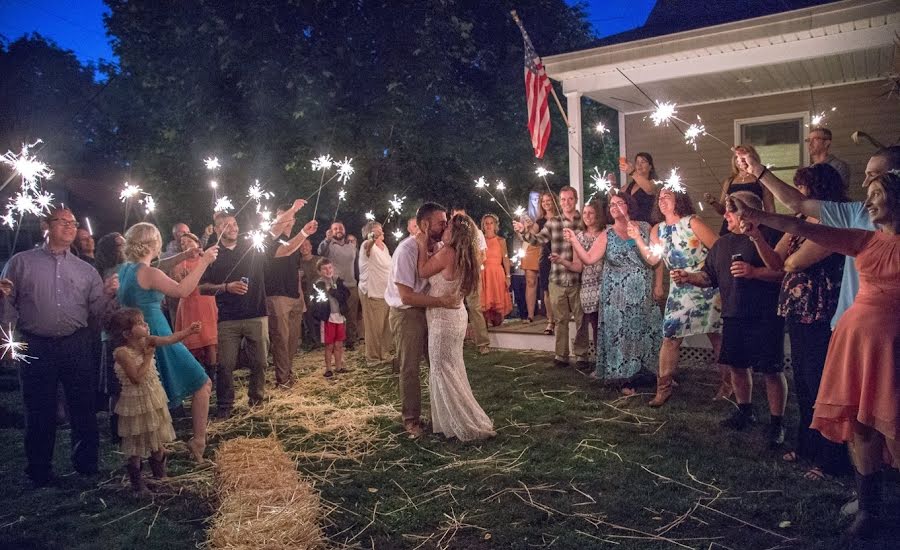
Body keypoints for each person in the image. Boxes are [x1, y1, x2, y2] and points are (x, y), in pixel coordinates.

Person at [726, 172, 898, 539]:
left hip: (892, 344)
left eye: (878, 194)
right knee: (863, 425)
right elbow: (807, 228)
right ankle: (868, 510)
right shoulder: (865, 239)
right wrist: (761, 219)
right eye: (867, 194)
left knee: (893, 424)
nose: (868, 203)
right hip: (857, 340)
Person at [0, 207, 118, 487]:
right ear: (46, 225)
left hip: (75, 342)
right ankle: (39, 468)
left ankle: (86, 463)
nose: (69, 226)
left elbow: (97, 311)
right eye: (62, 221)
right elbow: (8, 304)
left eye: (73, 222)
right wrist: (5, 337)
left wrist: (109, 295)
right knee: (39, 408)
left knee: (83, 406)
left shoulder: (85, 270)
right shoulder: (21, 263)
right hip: (35, 343)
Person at [747, 164, 850, 480]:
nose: (797, 195)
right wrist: (755, 237)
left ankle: (832, 458)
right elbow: (777, 262)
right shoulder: (801, 223)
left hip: (821, 312)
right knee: (804, 383)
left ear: (817, 190)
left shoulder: (832, 223)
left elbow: (795, 261)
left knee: (821, 384)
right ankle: (807, 446)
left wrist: (789, 257)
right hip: (797, 310)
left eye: (802, 188)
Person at [671, 191, 787, 446]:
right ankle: (745, 411)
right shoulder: (722, 244)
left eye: (731, 211)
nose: (726, 215)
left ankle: (777, 422)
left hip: (765, 314)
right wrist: (688, 277)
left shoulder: (769, 236)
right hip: (734, 313)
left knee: (770, 369)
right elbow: (708, 276)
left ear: (749, 213)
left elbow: (782, 272)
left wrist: (754, 272)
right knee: (737, 365)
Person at [740, 145, 899, 330]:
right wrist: (756, 175)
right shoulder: (857, 214)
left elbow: (795, 260)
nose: (864, 184)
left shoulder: (861, 233)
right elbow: (798, 210)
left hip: (885, 325)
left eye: (874, 175)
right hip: (849, 320)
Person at [117, 223, 218, 461]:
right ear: (154, 244)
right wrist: (204, 262)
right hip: (157, 332)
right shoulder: (150, 274)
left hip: (137, 337)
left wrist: (185, 254)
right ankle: (198, 441)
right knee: (202, 383)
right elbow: (182, 290)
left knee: (152, 394)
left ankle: (154, 453)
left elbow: (157, 267)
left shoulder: (127, 270)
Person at [199, 201, 309, 418]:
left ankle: (256, 400)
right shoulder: (211, 254)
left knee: (259, 362)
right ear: (217, 229)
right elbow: (202, 287)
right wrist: (226, 287)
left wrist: (297, 216)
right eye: (227, 225)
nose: (233, 228)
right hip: (227, 319)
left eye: (235, 224)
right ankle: (224, 406)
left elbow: (277, 233)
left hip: (257, 315)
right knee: (226, 365)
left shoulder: (252, 245)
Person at [630, 188, 724, 406]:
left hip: (705, 286)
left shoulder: (692, 222)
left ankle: (728, 384)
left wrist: (706, 275)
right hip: (679, 290)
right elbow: (653, 260)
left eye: (667, 197)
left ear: (679, 200)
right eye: (660, 198)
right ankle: (663, 388)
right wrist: (637, 239)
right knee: (670, 336)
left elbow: (719, 248)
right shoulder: (658, 230)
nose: (662, 201)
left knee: (716, 336)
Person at [566, 191, 661, 391]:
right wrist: (574, 240)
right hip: (617, 296)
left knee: (647, 331)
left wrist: (658, 284)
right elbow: (590, 259)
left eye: (619, 202)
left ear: (629, 205)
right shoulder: (606, 234)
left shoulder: (645, 227)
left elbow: (656, 259)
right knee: (622, 333)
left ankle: (655, 373)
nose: (614, 206)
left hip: (643, 292)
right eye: (611, 204)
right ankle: (624, 378)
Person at [415, 213, 495, 441]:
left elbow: (422, 271)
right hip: (456, 315)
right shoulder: (466, 254)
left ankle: (457, 421)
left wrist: (421, 245)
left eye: (448, 226)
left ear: (455, 231)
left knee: (441, 369)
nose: (444, 229)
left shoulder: (448, 253)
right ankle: (451, 419)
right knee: (453, 367)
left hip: (443, 318)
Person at [384, 202, 459, 438]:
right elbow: (406, 295)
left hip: (430, 312)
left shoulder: (438, 247)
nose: (445, 225)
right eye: (441, 222)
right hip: (407, 313)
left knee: (437, 363)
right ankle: (411, 419)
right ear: (424, 224)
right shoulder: (406, 251)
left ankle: (445, 414)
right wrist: (442, 302)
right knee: (410, 367)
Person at [107, 308, 199, 493]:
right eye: (140, 323)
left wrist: (188, 331)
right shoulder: (122, 353)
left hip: (152, 398)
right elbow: (137, 378)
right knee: (136, 443)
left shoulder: (147, 340)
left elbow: (169, 339)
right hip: (135, 404)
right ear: (127, 333)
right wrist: (148, 356)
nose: (146, 324)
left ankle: (160, 476)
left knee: (157, 438)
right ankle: (138, 483)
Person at [514, 186, 590, 369]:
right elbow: (537, 240)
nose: (566, 202)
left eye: (570, 199)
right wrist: (523, 231)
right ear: (560, 201)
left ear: (576, 199)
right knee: (560, 319)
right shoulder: (554, 222)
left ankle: (581, 356)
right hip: (557, 277)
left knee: (581, 320)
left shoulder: (584, 221)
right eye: (563, 199)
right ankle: (561, 355)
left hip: (580, 279)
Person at [265, 204, 318, 387]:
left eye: (290, 216)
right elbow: (286, 249)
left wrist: (300, 296)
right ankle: (283, 380)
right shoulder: (268, 242)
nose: (287, 220)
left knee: (293, 340)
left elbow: (296, 272)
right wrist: (303, 232)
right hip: (276, 296)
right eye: (282, 217)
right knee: (280, 339)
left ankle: (288, 372)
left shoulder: (296, 242)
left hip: (294, 296)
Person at [548, 200, 605, 370]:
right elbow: (578, 265)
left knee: (605, 324)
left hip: (607, 281)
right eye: (585, 213)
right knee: (593, 323)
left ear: (598, 215)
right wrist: (561, 261)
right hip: (588, 284)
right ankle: (598, 361)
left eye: (591, 213)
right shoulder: (578, 237)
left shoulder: (606, 233)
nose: (587, 216)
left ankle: (608, 359)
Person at [173, 233, 219, 382]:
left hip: (206, 302)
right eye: (182, 243)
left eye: (188, 241)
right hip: (189, 305)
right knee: (191, 341)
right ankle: (195, 378)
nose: (185, 245)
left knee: (209, 339)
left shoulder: (207, 259)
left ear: (197, 242)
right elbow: (176, 284)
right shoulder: (180, 264)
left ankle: (212, 376)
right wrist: (181, 277)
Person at [705, 145, 776, 235]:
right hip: (731, 227)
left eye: (743, 157)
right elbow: (723, 210)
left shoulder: (761, 179)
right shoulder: (729, 181)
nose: (740, 160)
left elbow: (770, 210)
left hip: (754, 227)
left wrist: (771, 232)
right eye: (737, 157)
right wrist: (713, 203)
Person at [451, 207, 490, 353]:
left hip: (472, 273)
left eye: (462, 216)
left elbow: (482, 254)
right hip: (454, 275)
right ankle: (455, 342)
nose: (460, 220)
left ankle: (482, 343)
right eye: (456, 217)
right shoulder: (450, 234)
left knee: (475, 307)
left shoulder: (477, 233)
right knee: (453, 307)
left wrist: (472, 269)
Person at [318, 221, 360, 349]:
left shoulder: (351, 246)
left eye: (340, 228)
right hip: (335, 285)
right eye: (335, 228)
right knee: (336, 314)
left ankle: (350, 341)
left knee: (352, 315)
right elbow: (320, 252)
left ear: (344, 230)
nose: (338, 230)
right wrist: (326, 239)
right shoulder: (329, 245)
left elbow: (358, 263)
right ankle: (335, 341)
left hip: (351, 284)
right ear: (331, 231)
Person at [358, 221, 393, 366]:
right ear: (370, 233)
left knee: (386, 326)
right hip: (372, 292)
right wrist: (372, 238)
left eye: (381, 229)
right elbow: (368, 246)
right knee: (374, 327)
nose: (382, 232)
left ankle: (383, 354)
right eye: (378, 230)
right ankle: (372, 358)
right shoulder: (366, 245)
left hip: (386, 293)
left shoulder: (384, 247)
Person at [522, 192, 557, 332]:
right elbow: (531, 238)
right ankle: (550, 321)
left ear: (554, 201)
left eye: (549, 200)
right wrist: (524, 229)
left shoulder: (561, 218)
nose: (546, 203)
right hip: (545, 259)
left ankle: (561, 319)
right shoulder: (540, 221)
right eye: (544, 201)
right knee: (547, 291)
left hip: (561, 256)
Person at [311, 258, 350, 377]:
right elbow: (316, 303)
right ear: (319, 271)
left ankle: (338, 366)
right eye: (324, 269)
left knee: (339, 344)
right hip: (328, 318)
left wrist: (334, 292)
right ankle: (328, 368)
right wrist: (320, 316)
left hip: (339, 316)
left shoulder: (338, 281)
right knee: (329, 345)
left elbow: (346, 295)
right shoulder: (318, 285)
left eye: (330, 267)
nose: (328, 270)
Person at [479, 214, 512, 327]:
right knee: (485, 303)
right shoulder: (480, 240)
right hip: (484, 274)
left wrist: (508, 276)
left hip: (497, 273)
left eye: (491, 223)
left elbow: (505, 258)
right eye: (486, 223)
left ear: (495, 225)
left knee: (498, 307)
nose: (489, 226)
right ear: (483, 225)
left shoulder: (501, 240)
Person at [619, 152, 659, 223]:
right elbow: (616, 198)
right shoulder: (628, 186)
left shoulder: (654, 183)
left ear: (650, 167)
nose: (639, 165)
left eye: (643, 162)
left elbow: (649, 189)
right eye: (637, 162)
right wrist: (611, 184)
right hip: (629, 225)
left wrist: (632, 172)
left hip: (646, 225)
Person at [298, 239, 322, 347]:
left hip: (320, 294)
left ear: (311, 247)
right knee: (308, 320)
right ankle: (312, 342)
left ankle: (323, 340)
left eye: (306, 245)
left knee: (321, 318)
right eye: (301, 246)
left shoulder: (319, 260)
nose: (304, 247)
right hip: (305, 295)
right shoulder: (297, 263)